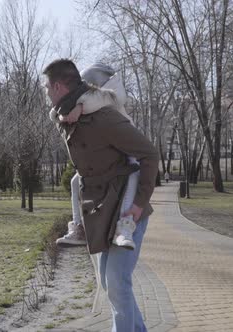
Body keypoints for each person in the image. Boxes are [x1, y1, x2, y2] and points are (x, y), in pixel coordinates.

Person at [43, 59, 159, 332]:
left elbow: (149, 154)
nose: (45, 92)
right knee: (110, 284)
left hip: (126, 211)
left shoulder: (105, 117)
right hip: (101, 211)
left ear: (58, 86)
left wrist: (140, 204)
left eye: (47, 87)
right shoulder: (67, 120)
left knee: (118, 283)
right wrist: (69, 112)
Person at [53, 63, 140, 250]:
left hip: (129, 148)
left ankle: (124, 226)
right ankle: (79, 227)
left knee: (134, 173)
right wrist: (63, 113)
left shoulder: (110, 97)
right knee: (75, 183)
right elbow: (56, 111)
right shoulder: (87, 100)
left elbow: (99, 101)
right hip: (110, 151)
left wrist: (79, 108)